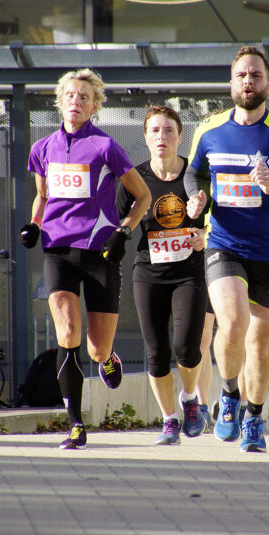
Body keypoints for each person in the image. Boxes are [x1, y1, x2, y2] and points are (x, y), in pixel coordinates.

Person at [184, 45, 269, 452]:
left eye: (256, 75)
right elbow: (193, 174)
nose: (248, 81)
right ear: (231, 82)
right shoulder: (208, 130)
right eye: (241, 75)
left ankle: (254, 418)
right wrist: (196, 198)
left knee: (261, 341)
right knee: (232, 321)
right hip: (224, 243)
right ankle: (228, 395)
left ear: (268, 84)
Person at [20, 68, 150, 450]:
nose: (76, 101)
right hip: (58, 249)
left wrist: (124, 231)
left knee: (95, 348)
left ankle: (109, 358)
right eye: (70, 95)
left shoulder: (106, 147)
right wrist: (33, 224)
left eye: (84, 97)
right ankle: (75, 423)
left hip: (99, 251)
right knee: (67, 333)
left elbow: (141, 196)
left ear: (94, 106)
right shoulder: (42, 148)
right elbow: (42, 197)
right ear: (59, 102)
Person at [117, 105, 207, 445]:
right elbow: (118, 223)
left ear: (180, 136)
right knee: (156, 351)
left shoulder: (195, 175)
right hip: (149, 271)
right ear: (145, 137)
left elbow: (217, 221)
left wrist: (204, 237)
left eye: (169, 130)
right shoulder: (134, 179)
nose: (161, 137)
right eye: (154, 130)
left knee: (186, 347)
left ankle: (190, 399)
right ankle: (169, 421)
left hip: (188, 272)